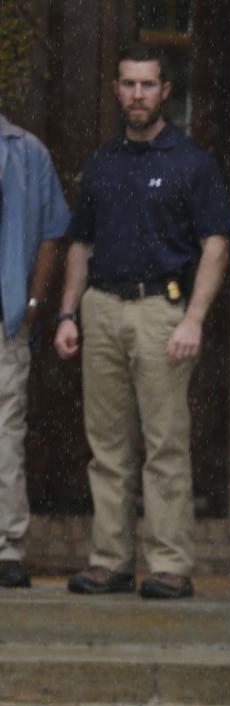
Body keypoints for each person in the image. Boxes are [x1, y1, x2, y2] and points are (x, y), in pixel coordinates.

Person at [54, 44, 230, 600]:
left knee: (165, 446)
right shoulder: (102, 164)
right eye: (129, 84)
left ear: (165, 91)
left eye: (147, 85)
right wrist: (67, 312)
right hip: (101, 309)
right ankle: (108, 562)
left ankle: (169, 567)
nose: (137, 94)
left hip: (163, 311)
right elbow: (81, 245)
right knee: (106, 447)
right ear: (117, 89)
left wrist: (194, 319)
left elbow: (216, 245)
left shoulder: (192, 163)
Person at [0, 113, 69, 589]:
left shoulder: (26, 151)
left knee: (5, 433)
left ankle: (7, 546)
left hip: (4, 323)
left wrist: (30, 304)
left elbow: (51, 230)